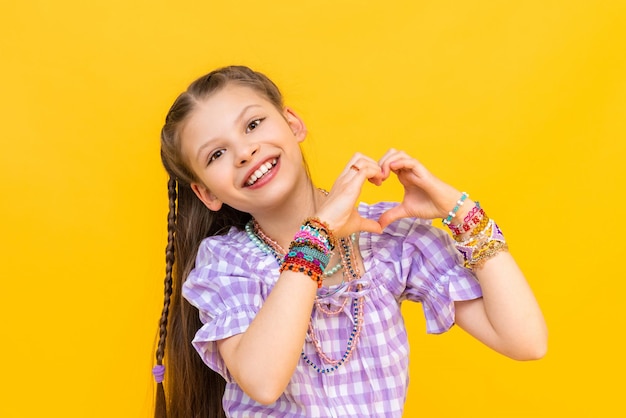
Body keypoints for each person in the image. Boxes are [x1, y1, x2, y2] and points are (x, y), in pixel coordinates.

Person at [152, 65, 547, 418]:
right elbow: (263, 381)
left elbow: (526, 341)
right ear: (207, 194)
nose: (244, 151)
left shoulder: (385, 237)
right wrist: (318, 232)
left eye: (253, 125)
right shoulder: (227, 263)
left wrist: (461, 212)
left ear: (293, 124)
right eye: (217, 153)